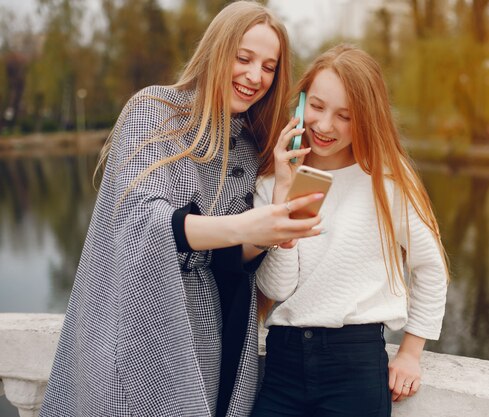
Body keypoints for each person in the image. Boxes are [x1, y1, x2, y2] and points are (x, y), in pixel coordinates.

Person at [40, 2, 322, 416]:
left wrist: (276, 207)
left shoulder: (248, 147)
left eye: (269, 66)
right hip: (138, 328)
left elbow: (229, 258)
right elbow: (142, 220)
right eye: (243, 58)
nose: (255, 76)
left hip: (212, 337)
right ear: (215, 51)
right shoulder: (154, 110)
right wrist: (244, 225)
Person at [251, 44, 448, 417]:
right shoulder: (273, 179)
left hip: (354, 366)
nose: (325, 126)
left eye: (345, 115)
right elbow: (277, 289)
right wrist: (283, 194)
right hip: (283, 365)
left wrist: (410, 352)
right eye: (318, 107)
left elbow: (431, 267)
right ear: (301, 102)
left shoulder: (385, 179)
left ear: (368, 118)